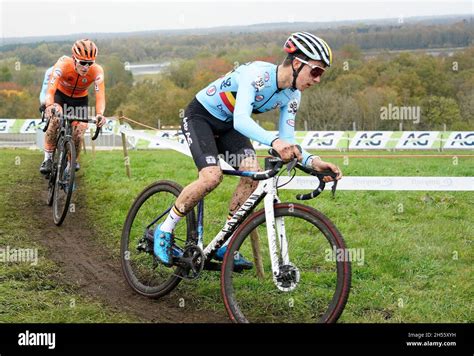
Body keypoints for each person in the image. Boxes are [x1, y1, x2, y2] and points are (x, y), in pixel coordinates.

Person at [154, 32, 343, 268]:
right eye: (316, 71)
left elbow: (288, 141)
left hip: (228, 126)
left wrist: (314, 162)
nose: (317, 79)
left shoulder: (293, 95)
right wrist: (274, 142)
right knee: (211, 177)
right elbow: (242, 120)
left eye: (322, 74)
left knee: (252, 175)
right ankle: (165, 229)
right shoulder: (257, 74)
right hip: (201, 117)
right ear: (297, 63)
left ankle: (226, 244)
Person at [39, 39, 106, 175]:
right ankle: (48, 158)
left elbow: (100, 96)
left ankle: (71, 162)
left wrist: (100, 114)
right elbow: (51, 90)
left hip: (80, 100)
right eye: (82, 63)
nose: (86, 67)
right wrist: (50, 105)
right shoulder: (63, 65)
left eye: (90, 63)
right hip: (60, 96)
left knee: (79, 130)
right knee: (55, 120)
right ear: (74, 59)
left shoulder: (97, 71)